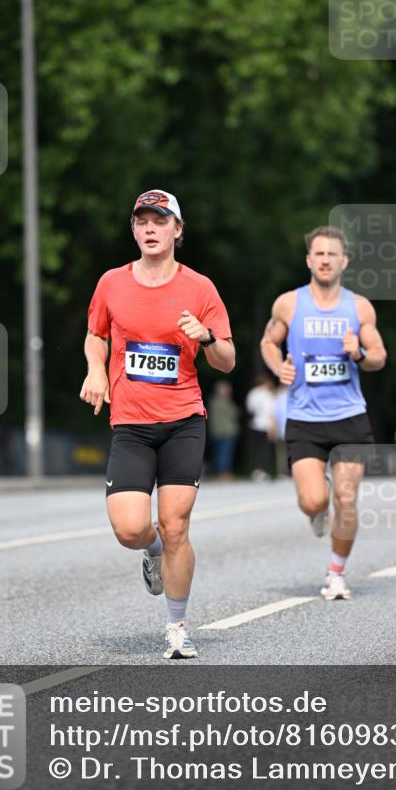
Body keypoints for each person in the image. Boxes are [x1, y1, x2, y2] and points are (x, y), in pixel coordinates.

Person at [80, 190, 235, 659]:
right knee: (131, 529)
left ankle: (177, 626)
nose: (150, 228)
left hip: (184, 420)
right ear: (134, 230)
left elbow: (227, 360)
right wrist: (94, 369)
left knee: (175, 525)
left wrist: (206, 337)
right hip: (131, 422)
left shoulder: (200, 289)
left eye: (159, 221)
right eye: (142, 221)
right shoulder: (112, 283)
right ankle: (151, 552)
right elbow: (95, 335)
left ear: (177, 230)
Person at [260, 225, 387, 599]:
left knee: (346, 500)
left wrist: (359, 353)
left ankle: (336, 573)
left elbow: (379, 356)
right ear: (308, 260)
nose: (326, 259)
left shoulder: (359, 306)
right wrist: (277, 366)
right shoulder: (289, 303)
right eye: (319, 253)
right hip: (304, 418)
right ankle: (318, 508)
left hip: (348, 416)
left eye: (333, 254)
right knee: (314, 501)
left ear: (344, 261)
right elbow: (269, 341)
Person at [245, 376, 277, 481]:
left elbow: (250, 408)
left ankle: (255, 470)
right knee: (264, 449)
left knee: (256, 448)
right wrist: (271, 428)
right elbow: (269, 412)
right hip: (265, 425)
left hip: (254, 423)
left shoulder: (252, 393)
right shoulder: (267, 395)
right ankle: (261, 471)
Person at [207, 381, 240, 480]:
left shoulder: (212, 402)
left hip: (216, 431)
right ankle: (223, 473)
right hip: (227, 431)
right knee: (225, 453)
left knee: (219, 453)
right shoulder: (225, 402)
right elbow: (235, 413)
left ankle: (220, 472)